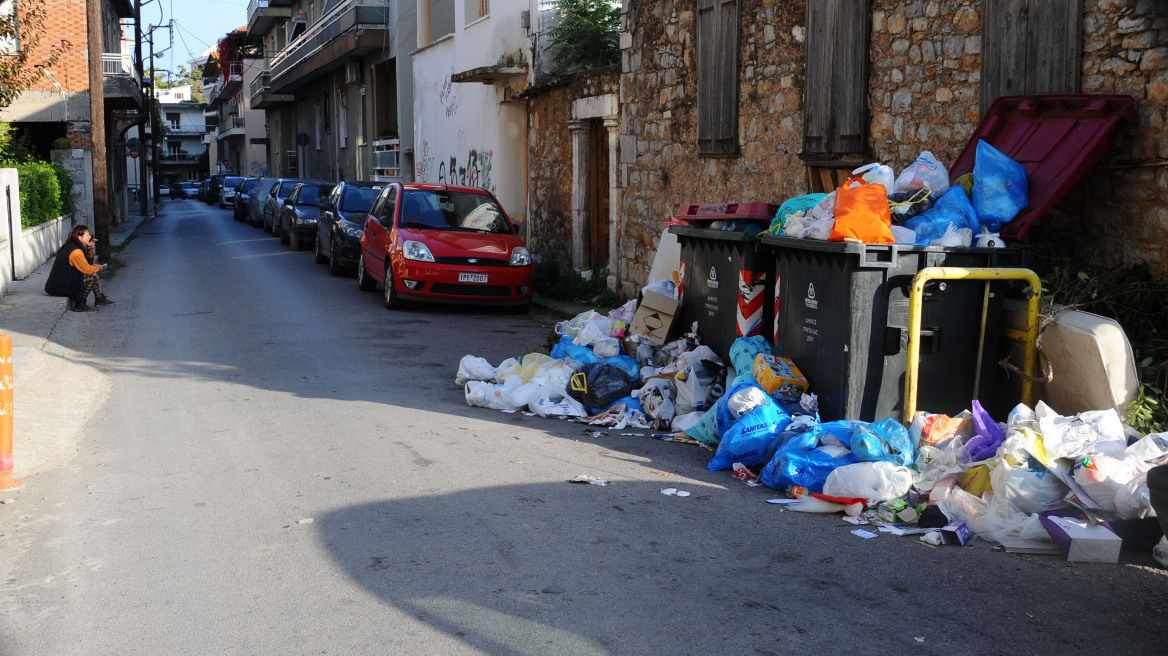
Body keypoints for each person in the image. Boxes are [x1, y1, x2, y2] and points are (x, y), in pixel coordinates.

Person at [44, 224, 115, 312]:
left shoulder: (72, 246)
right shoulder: (76, 252)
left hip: (59, 284)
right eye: (87, 235)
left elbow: (86, 264)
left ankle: (99, 298)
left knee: (92, 273)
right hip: (60, 287)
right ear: (79, 237)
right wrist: (98, 267)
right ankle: (80, 303)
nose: (90, 237)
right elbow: (86, 270)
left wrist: (89, 251)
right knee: (93, 276)